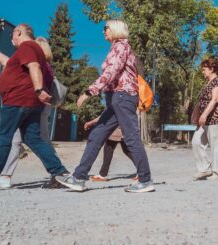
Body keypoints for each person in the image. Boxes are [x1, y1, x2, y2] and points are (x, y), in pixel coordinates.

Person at [0, 25, 68, 192]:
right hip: (29, 103)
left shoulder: (27, 46)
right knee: (33, 139)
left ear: (18, 32)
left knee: (3, 137)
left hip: (18, 101)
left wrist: (39, 89)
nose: (11, 38)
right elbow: (6, 61)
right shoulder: (28, 50)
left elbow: (34, 66)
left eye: (12, 34)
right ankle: (59, 173)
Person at [55, 20, 154, 193]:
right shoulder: (116, 47)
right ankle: (79, 177)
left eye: (105, 28)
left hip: (123, 96)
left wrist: (89, 92)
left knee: (131, 137)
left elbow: (111, 72)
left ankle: (145, 180)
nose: (103, 32)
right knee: (96, 135)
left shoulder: (121, 46)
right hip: (116, 98)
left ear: (115, 29)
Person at [0, 36, 57, 189]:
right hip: (41, 105)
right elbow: (6, 61)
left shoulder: (36, 65)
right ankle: (58, 173)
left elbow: (8, 63)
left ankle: (5, 175)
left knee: (15, 140)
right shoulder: (48, 68)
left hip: (27, 103)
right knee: (40, 140)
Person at [191, 57, 218, 180]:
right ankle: (205, 169)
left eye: (204, 69)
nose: (203, 71)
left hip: (215, 119)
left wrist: (204, 114)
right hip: (204, 120)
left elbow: (215, 100)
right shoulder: (207, 83)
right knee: (196, 142)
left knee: (217, 146)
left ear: (212, 69)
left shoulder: (217, 81)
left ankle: (217, 173)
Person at [84, 117, 135, 182]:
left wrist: (91, 122)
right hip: (122, 126)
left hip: (117, 128)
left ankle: (102, 174)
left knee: (108, 148)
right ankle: (142, 170)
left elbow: (105, 115)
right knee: (126, 150)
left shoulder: (116, 106)